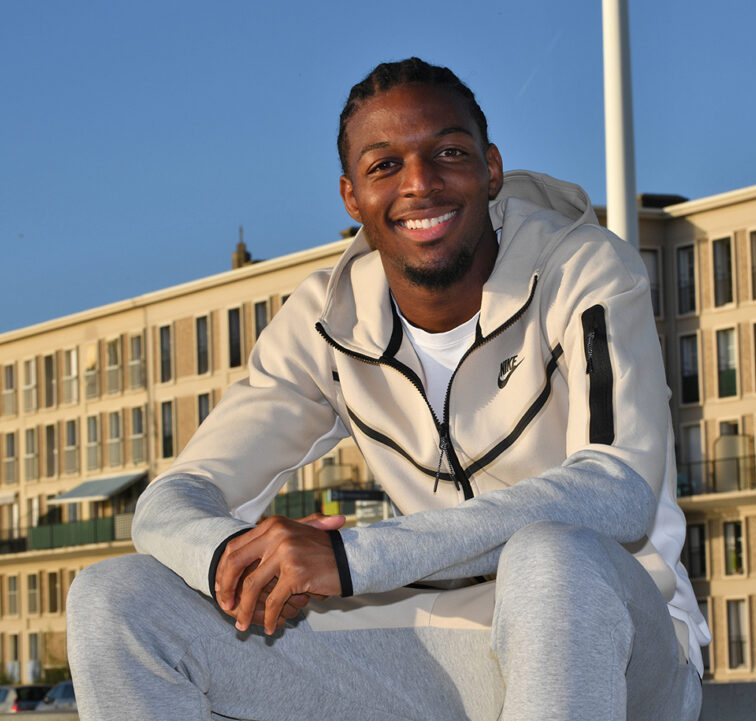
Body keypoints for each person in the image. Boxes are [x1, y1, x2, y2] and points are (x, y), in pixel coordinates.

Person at [67, 57, 709, 721]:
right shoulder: (329, 319)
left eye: (448, 152)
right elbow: (172, 500)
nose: (420, 184)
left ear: (490, 169)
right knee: (115, 598)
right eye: (385, 165)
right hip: (436, 652)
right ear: (352, 197)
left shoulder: (584, 267)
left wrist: (349, 558)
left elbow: (617, 487)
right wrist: (235, 559)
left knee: (551, 557)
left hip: (618, 650)